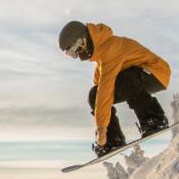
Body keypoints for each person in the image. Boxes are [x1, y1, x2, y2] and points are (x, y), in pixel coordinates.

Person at [58, 20, 171, 157]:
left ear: (82, 42)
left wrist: (101, 127)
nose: (76, 57)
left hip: (156, 72)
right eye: (71, 55)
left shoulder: (112, 47)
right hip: (136, 79)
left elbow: (106, 88)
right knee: (94, 94)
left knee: (125, 80)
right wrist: (103, 130)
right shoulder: (100, 62)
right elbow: (100, 95)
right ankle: (113, 140)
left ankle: (154, 119)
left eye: (73, 52)